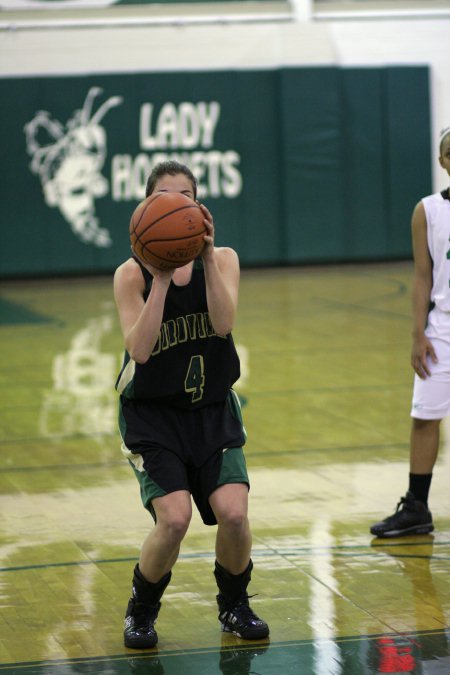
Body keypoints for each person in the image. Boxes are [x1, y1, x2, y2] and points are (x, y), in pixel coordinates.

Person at [113, 160, 269, 648]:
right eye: (166, 198)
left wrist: (201, 259)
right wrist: (159, 277)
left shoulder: (223, 259)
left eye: (187, 198)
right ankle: (141, 610)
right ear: (147, 208)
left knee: (235, 513)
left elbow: (223, 325)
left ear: (200, 208)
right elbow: (139, 351)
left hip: (211, 409)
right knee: (175, 518)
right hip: (153, 418)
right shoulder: (130, 275)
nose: (178, 207)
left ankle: (234, 606)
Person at [370, 127, 450, 538]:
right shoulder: (428, 210)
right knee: (424, 416)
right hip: (443, 329)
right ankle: (417, 506)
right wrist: (418, 335)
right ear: (443, 161)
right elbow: (422, 277)